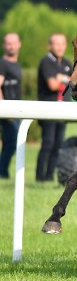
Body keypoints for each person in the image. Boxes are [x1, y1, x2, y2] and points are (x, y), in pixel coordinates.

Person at [36, 33, 73, 182]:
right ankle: (40, 177)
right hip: (48, 110)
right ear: (50, 45)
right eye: (56, 44)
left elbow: (75, 83)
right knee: (48, 144)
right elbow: (52, 85)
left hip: (62, 110)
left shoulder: (66, 62)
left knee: (58, 145)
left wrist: (61, 78)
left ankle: (49, 177)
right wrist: (66, 80)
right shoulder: (46, 61)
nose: (59, 47)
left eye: (62, 44)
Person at [0, 33, 23, 179]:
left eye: (13, 43)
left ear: (19, 44)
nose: (11, 46)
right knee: (11, 142)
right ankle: (2, 171)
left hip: (15, 110)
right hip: (7, 111)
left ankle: (3, 171)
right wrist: (4, 109)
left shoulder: (15, 64)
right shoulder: (2, 63)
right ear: (4, 45)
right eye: (8, 43)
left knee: (11, 142)